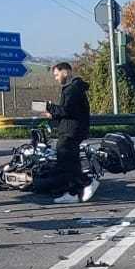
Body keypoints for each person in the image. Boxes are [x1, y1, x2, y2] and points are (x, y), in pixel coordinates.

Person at [47, 61, 97, 204]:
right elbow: (69, 111)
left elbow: (66, 110)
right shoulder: (75, 88)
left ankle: (84, 184)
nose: (56, 78)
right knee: (71, 161)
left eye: (57, 75)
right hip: (73, 129)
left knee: (66, 160)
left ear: (65, 72)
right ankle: (74, 191)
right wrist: (53, 115)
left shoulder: (72, 89)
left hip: (71, 131)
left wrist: (49, 108)